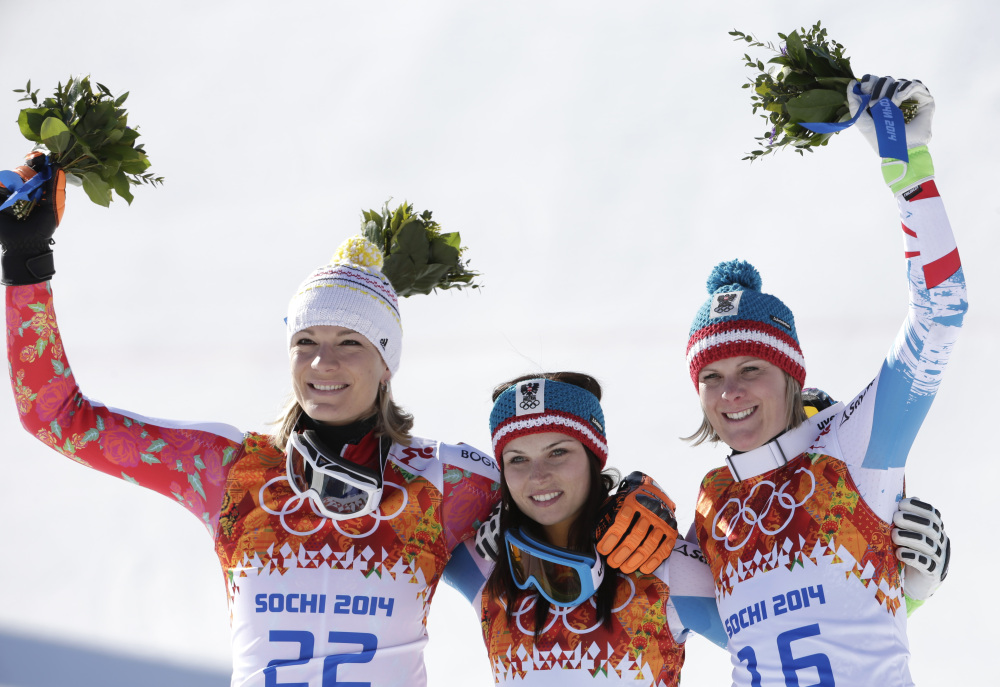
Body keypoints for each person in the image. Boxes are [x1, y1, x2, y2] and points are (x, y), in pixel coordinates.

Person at [0, 165, 501, 687]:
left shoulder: (448, 483)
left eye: (350, 342)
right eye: (305, 342)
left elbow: (564, 534)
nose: (322, 363)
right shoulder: (228, 469)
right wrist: (26, 263)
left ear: (387, 363)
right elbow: (57, 418)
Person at [684, 75, 965, 686]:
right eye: (712, 376)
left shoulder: (850, 444)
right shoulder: (712, 507)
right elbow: (673, 616)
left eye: (751, 369)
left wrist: (907, 166)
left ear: (792, 374)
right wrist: (903, 592)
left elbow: (942, 308)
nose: (730, 393)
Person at [446, 372, 728, 686]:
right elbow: (399, 495)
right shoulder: (485, 563)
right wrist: (487, 502)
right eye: (518, 459)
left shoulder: (658, 563)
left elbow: (769, 649)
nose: (538, 476)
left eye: (558, 452)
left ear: (593, 456)